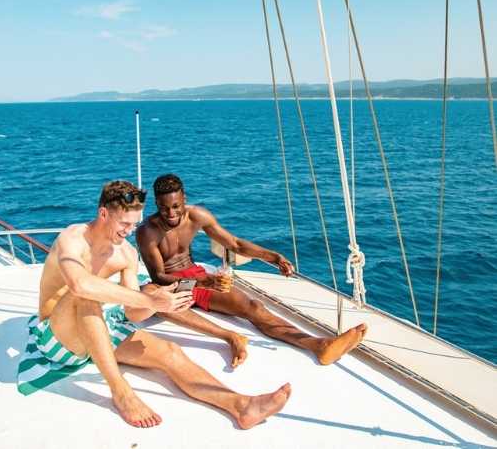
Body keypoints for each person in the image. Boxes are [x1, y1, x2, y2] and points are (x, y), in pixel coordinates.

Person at [22, 180, 290, 429]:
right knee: (84, 295)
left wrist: (160, 303)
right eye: (124, 224)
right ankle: (121, 391)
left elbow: (132, 313)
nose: (129, 231)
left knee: (170, 352)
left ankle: (242, 406)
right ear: (104, 214)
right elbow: (80, 285)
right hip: (57, 337)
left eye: (134, 224)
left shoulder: (125, 253)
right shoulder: (74, 238)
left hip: (98, 328)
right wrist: (149, 298)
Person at [136, 174, 367, 368]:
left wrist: (273, 257)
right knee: (152, 297)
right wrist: (205, 281)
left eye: (176, 206)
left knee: (253, 307)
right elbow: (159, 276)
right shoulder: (147, 231)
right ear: (156, 204)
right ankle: (229, 337)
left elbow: (235, 244)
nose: (171, 213)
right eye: (164, 208)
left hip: (196, 276)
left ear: (184, 199)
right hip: (172, 284)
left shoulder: (198, 216)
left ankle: (319, 345)